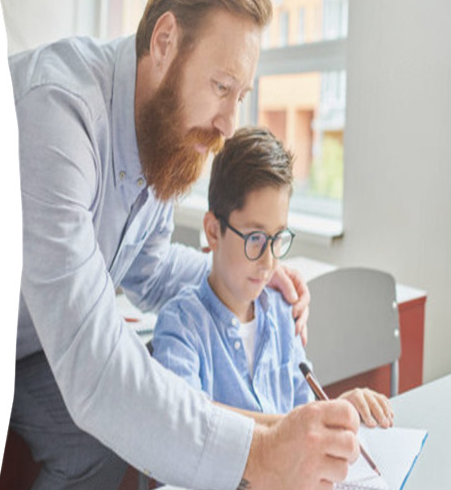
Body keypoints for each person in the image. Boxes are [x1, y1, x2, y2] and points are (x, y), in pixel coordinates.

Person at [0, 0, 362, 490]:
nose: (226, 125)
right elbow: (97, 372)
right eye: (221, 88)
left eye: (239, 96)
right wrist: (263, 454)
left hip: (28, 339)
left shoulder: (162, 133)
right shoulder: (56, 114)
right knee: (119, 390)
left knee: (100, 440)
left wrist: (248, 266)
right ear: (164, 40)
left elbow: (151, 268)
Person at [151, 127, 394, 428]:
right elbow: (188, 423)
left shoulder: (280, 313)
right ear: (213, 232)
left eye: (277, 238)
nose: (268, 261)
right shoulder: (181, 325)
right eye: (255, 238)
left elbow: (303, 412)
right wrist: (299, 426)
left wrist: (337, 411)